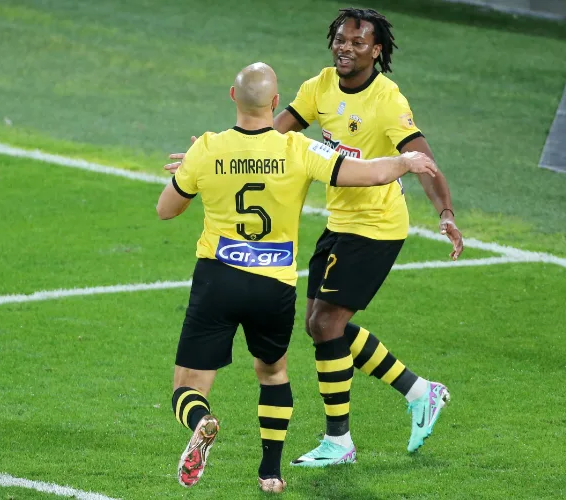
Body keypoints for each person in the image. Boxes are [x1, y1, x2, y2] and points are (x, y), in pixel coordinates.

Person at [156, 62, 438, 492]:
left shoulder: (208, 148)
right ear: (275, 101)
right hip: (273, 287)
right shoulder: (299, 148)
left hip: (218, 279)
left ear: (232, 96)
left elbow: (166, 209)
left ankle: (201, 420)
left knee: (187, 386)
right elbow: (366, 173)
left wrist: (191, 171)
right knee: (273, 374)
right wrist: (406, 160)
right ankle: (270, 472)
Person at [270, 7, 465, 466]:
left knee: (326, 326)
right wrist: (223, 150)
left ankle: (339, 442)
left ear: (376, 51)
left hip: (377, 226)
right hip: (340, 222)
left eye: (357, 42)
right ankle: (419, 391)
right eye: (341, 39)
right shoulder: (319, 86)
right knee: (318, 325)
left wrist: (445, 213)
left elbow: (423, 160)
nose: (345, 47)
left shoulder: (387, 100)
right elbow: (275, 132)